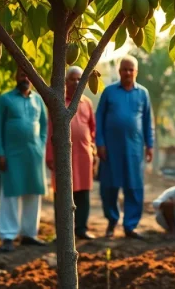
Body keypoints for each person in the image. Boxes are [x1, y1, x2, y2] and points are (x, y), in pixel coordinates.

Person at [96, 56, 154, 239]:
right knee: (108, 187)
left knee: (134, 187)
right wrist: (100, 143)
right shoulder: (109, 92)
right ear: (119, 71)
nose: (128, 73)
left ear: (136, 72)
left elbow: (147, 121)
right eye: (124, 69)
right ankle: (112, 220)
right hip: (110, 149)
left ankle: (130, 226)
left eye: (131, 69)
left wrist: (150, 145)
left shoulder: (143, 93)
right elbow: (99, 119)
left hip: (134, 149)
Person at [0, 67, 49, 251]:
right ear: (15, 76)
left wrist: (41, 146)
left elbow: (44, 126)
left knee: (33, 194)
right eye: (22, 74)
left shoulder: (38, 100)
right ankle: (8, 236)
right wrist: (0, 152)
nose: (25, 78)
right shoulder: (5, 99)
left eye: (28, 75)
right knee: (10, 194)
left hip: (34, 155)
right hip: (11, 155)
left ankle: (29, 234)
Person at [46, 66, 97, 240]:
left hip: (83, 156)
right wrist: (50, 157)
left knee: (83, 193)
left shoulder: (87, 103)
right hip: (63, 156)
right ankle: (62, 232)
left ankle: (81, 229)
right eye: (72, 79)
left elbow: (92, 129)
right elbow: (50, 131)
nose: (75, 82)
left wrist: (93, 151)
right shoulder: (57, 104)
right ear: (65, 81)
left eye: (79, 79)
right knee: (61, 193)